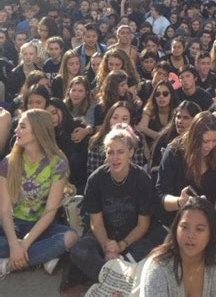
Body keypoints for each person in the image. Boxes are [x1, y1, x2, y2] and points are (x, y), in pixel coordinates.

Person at [70, 126, 161, 283]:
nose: (115, 157)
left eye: (120, 152)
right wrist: (108, 247)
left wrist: (121, 245)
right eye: (110, 152)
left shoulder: (142, 179)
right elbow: (96, 223)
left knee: (158, 243)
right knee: (79, 250)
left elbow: (143, 225)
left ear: (131, 153)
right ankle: (118, 274)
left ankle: (109, 273)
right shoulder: (95, 179)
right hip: (104, 237)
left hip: (132, 239)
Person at [0, 109, 78, 277]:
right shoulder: (8, 162)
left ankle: (8, 264)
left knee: (70, 238)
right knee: (7, 244)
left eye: (22, 127)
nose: (16, 131)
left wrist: (25, 244)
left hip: (42, 226)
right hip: (11, 226)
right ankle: (40, 257)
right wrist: (14, 244)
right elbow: (4, 210)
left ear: (37, 130)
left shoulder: (58, 162)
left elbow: (50, 211)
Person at [140, 196, 216, 297]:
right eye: (185, 227)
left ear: (211, 233)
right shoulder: (158, 265)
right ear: (175, 229)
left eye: (199, 229)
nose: (190, 235)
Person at [155, 112, 216, 226]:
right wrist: (180, 202)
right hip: (177, 219)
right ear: (194, 138)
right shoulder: (174, 152)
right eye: (205, 141)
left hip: (208, 218)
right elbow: (161, 194)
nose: (210, 146)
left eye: (215, 140)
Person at [87, 102, 146, 177]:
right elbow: (92, 174)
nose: (119, 122)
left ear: (130, 122)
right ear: (109, 119)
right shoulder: (96, 141)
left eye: (124, 119)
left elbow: (138, 171)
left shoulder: (137, 139)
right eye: (115, 118)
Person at [137, 79, 179, 148]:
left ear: (171, 95)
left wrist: (146, 130)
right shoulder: (149, 108)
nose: (161, 97)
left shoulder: (177, 111)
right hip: (152, 150)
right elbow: (141, 130)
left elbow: (167, 139)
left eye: (165, 94)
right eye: (157, 94)